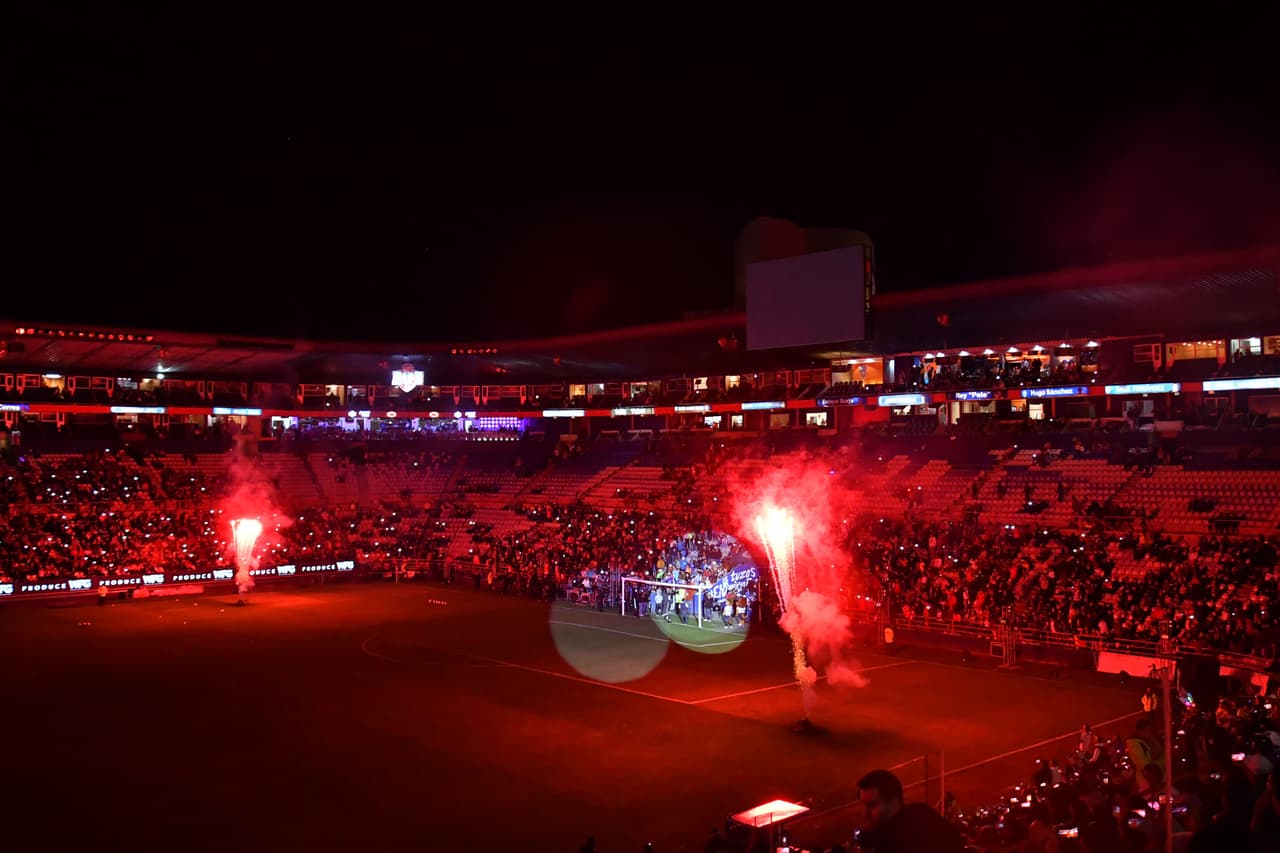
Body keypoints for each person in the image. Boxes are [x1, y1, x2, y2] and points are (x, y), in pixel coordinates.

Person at [856, 768, 967, 852]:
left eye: (872, 805)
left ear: (893, 803)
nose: (864, 813)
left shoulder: (892, 842)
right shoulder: (922, 813)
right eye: (863, 805)